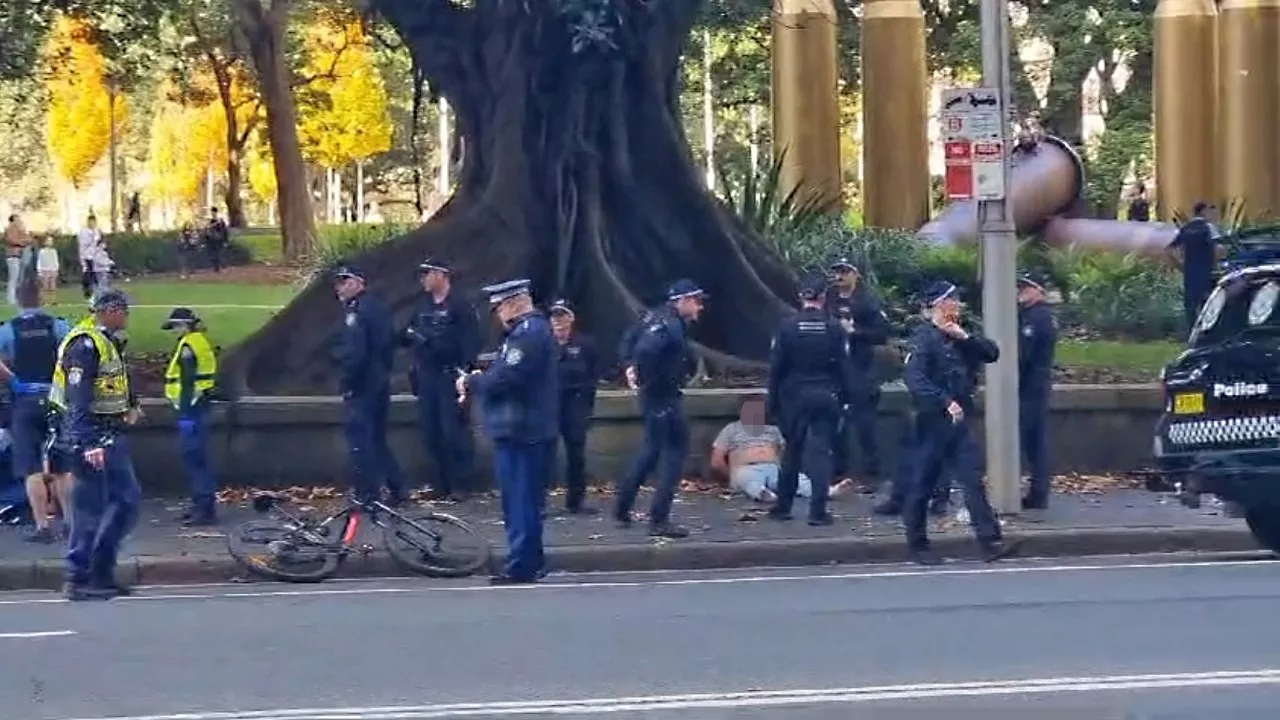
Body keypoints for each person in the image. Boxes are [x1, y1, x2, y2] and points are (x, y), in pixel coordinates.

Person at [901, 281, 1011, 565]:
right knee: (924, 481)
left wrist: (964, 337)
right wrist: (943, 401)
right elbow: (915, 378)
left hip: (960, 420)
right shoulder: (923, 338)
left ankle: (989, 540)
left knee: (972, 480)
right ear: (938, 305)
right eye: (952, 301)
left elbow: (991, 353)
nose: (957, 305)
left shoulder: (961, 336)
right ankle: (917, 543)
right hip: (933, 421)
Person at [458, 279, 558, 585]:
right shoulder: (528, 333)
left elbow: (506, 378)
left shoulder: (527, 334)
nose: (498, 313)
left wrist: (473, 383)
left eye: (500, 306)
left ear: (515, 303)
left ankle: (521, 564)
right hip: (524, 426)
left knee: (519, 499)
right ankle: (531, 559)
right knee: (523, 498)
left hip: (521, 428)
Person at [48, 289, 143, 600]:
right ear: (109, 310)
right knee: (89, 508)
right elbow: (78, 398)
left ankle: (101, 570)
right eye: (124, 310)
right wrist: (87, 442)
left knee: (127, 501)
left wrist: (129, 405)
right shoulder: (85, 343)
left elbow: (111, 382)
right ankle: (78, 577)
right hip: (89, 438)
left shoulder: (107, 340)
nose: (127, 315)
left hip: (110, 434)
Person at [614, 279, 705, 539]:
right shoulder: (669, 325)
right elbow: (646, 350)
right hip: (662, 397)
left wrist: (630, 368)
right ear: (682, 300)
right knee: (674, 455)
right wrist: (645, 378)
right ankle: (659, 518)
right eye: (696, 301)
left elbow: (628, 342)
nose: (699, 307)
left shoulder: (651, 317)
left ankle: (623, 507)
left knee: (651, 451)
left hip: (655, 396)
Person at [764, 273, 857, 525]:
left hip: (794, 397)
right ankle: (818, 512)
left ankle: (783, 507)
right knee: (821, 454)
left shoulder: (787, 328)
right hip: (826, 396)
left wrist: (772, 402)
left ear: (801, 297)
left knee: (792, 452)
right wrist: (847, 399)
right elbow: (844, 368)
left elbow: (776, 370)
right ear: (824, 298)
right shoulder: (835, 329)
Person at [401, 258, 481, 500]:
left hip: (449, 374)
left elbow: (469, 344)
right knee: (431, 431)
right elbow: (410, 332)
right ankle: (440, 482)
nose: (423, 279)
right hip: (427, 376)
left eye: (427, 273)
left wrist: (462, 372)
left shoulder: (460, 305)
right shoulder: (422, 305)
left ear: (442, 275)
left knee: (453, 431)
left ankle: (461, 484)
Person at [0, 278, 73, 543]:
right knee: (62, 467)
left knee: (30, 468)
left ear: (17, 301)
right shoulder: (59, 326)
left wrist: (13, 380)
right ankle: (71, 523)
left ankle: (43, 526)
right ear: (42, 298)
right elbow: (73, 355)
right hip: (55, 400)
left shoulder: (9, 330)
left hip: (25, 401)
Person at [333, 266, 408, 506]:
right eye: (338, 282)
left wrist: (348, 382)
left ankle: (368, 494)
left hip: (363, 384)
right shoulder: (378, 307)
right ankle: (397, 486)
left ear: (358, 282)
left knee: (361, 442)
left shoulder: (359, 311)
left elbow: (357, 353)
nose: (339, 287)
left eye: (344, 281)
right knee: (376, 438)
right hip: (379, 381)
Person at [874, 296, 951, 518]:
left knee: (921, 452)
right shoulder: (940, 334)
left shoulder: (933, 335)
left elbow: (917, 371)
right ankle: (931, 498)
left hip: (932, 402)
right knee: (925, 452)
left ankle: (913, 498)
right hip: (935, 400)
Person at [711, 397, 856, 503]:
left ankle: (827, 491)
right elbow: (717, 460)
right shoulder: (731, 429)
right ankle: (762, 494)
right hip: (746, 468)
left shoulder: (772, 430)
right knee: (750, 481)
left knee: (798, 479)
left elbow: (784, 451)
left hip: (773, 467)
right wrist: (733, 475)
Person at [825, 258, 890, 491]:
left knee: (864, 422)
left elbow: (882, 333)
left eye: (844, 272)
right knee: (835, 421)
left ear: (855, 274)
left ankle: (872, 473)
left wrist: (855, 333)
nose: (839, 277)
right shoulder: (828, 298)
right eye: (836, 272)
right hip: (834, 369)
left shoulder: (867, 301)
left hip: (861, 368)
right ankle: (838, 471)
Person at [162, 308, 221, 525]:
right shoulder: (199, 341)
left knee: (194, 459)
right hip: (199, 406)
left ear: (187, 325)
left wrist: (185, 414)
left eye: (177, 326)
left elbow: (187, 383)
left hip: (192, 409)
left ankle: (204, 509)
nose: (174, 331)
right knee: (199, 460)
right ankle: (202, 505)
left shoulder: (188, 347)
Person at [548, 299, 598, 515]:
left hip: (575, 403)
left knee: (576, 454)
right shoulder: (544, 344)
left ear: (571, 318)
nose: (558, 321)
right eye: (555, 317)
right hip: (550, 403)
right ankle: (539, 502)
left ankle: (576, 501)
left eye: (563, 316)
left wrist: (587, 404)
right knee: (543, 453)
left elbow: (593, 374)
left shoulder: (585, 344)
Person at [1016, 273, 1058, 510]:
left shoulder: (1037, 318)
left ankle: (1038, 493)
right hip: (1035, 384)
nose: (1020, 290)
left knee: (1032, 440)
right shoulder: (1035, 315)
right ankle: (1038, 491)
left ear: (1039, 290)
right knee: (1035, 441)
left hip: (1031, 385)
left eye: (1026, 287)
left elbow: (1024, 356)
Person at [1170, 202, 1223, 330]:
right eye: (1210, 211)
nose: (1212, 214)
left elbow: (1170, 250)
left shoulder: (1186, 228)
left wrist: (1180, 266)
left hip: (1190, 270)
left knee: (1191, 303)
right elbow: (1219, 248)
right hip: (1206, 269)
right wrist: (1216, 265)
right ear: (1203, 211)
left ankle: (1192, 332)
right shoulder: (1208, 227)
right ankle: (1207, 331)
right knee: (1208, 301)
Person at [5, 214, 31, 306]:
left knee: (20, 278)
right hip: (13, 256)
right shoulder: (10, 229)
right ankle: (11, 299)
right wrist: (22, 243)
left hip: (20, 256)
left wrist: (23, 240)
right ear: (12, 220)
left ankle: (17, 297)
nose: (19, 220)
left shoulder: (22, 230)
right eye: (17, 219)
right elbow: (11, 240)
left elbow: (29, 239)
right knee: (13, 277)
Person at [77, 214, 103, 299]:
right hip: (86, 256)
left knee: (95, 275)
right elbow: (84, 244)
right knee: (88, 274)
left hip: (95, 256)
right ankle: (87, 290)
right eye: (90, 222)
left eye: (94, 222)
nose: (92, 224)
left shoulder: (97, 231)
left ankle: (96, 291)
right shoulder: (84, 232)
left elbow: (99, 242)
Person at [203, 207, 229, 273]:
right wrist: (207, 239)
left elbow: (225, 231)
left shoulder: (220, 221)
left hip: (219, 240)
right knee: (213, 254)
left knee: (219, 254)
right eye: (212, 212)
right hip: (212, 240)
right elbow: (207, 230)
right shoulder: (211, 221)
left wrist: (225, 241)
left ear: (216, 212)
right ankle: (216, 268)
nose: (213, 213)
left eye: (214, 212)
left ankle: (222, 267)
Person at [37, 236, 59, 305]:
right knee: (44, 286)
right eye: (48, 241)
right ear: (45, 242)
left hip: (52, 270)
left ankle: (53, 301)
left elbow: (56, 260)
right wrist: (39, 271)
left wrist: (56, 269)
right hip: (44, 270)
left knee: (53, 286)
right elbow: (39, 261)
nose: (50, 242)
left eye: (51, 241)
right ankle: (43, 301)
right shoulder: (42, 251)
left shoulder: (53, 251)